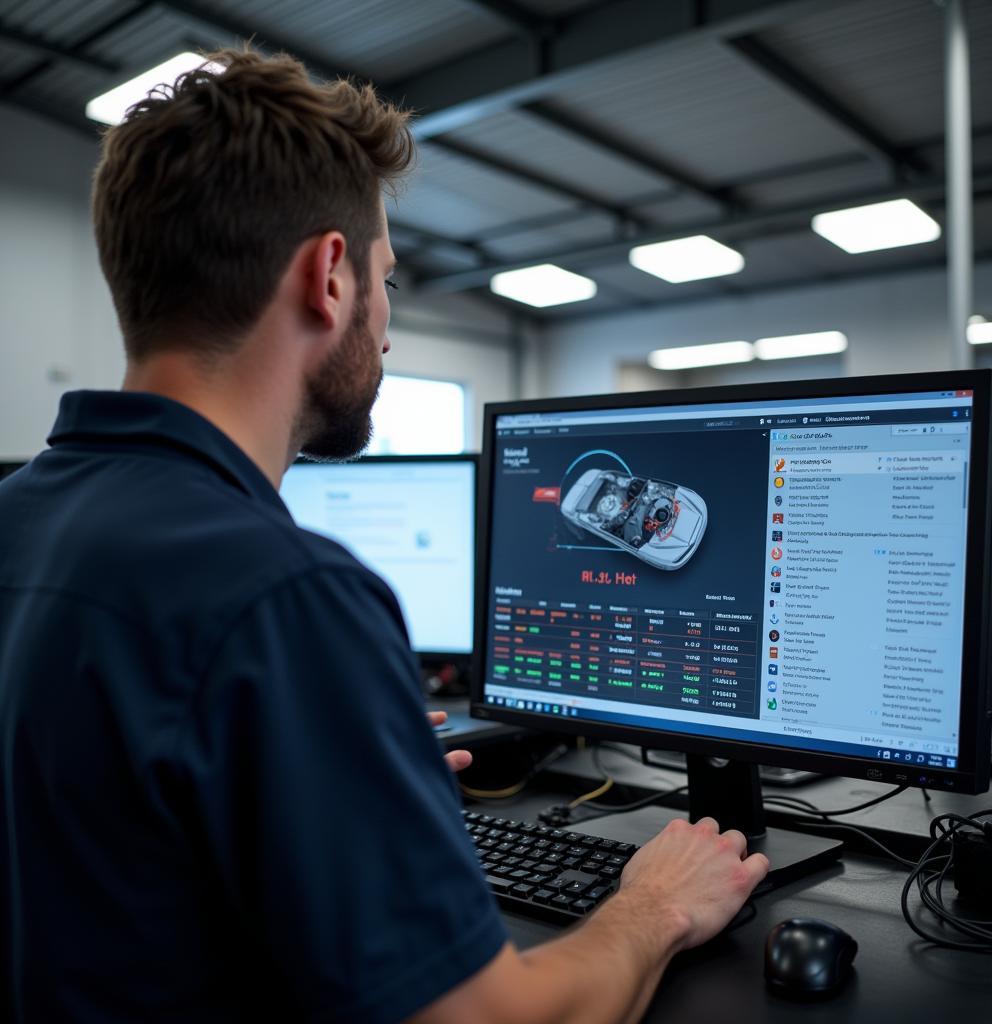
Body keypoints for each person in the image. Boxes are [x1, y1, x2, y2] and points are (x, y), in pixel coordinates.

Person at [0, 49, 768, 1024]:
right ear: (329, 275)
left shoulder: (21, 515)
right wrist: (653, 904)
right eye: (387, 280)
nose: (390, 330)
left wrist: (346, 786)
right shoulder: (284, 596)